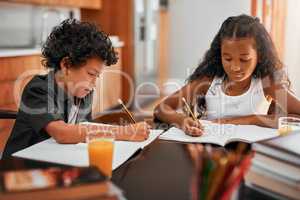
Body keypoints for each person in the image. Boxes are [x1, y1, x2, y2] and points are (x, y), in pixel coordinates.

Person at [3, 19, 150, 157]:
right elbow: (63, 133)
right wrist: (123, 131)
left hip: (57, 159)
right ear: (66, 65)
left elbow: (83, 129)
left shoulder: (83, 92)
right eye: (91, 74)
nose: (94, 84)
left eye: (97, 76)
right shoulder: (39, 90)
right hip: (21, 168)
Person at [154, 14, 300, 136]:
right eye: (227, 58)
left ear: (260, 56)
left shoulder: (266, 82)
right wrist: (182, 121)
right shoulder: (209, 80)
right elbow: (161, 108)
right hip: (213, 149)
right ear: (220, 55)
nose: (235, 67)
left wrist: (252, 119)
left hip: (250, 155)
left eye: (244, 59)